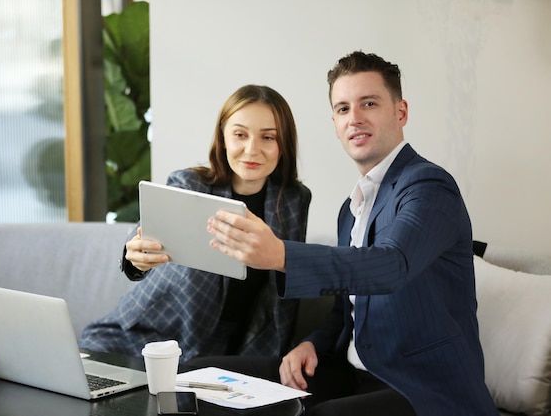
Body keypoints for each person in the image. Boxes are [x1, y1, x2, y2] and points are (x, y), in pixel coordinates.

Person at [199, 52, 498, 416]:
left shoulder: (428, 185)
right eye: (342, 109)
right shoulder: (351, 209)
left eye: (368, 103)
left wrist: (281, 255)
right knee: (204, 378)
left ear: (400, 112)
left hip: (426, 390)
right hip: (354, 374)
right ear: (335, 123)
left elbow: (391, 264)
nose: (354, 118)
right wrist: (311, 344)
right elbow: (346, 312)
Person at [79, 84, 312, 362]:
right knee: (92, 359)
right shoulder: (189, 185)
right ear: (224, 138)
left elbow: (289, 284)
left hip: (242, 347)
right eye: (240, 134)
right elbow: (141, 242)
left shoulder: (294, 200)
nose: (252, 149)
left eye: (268, 137)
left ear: (283, 144)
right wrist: (136, 257)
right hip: (155, 335)